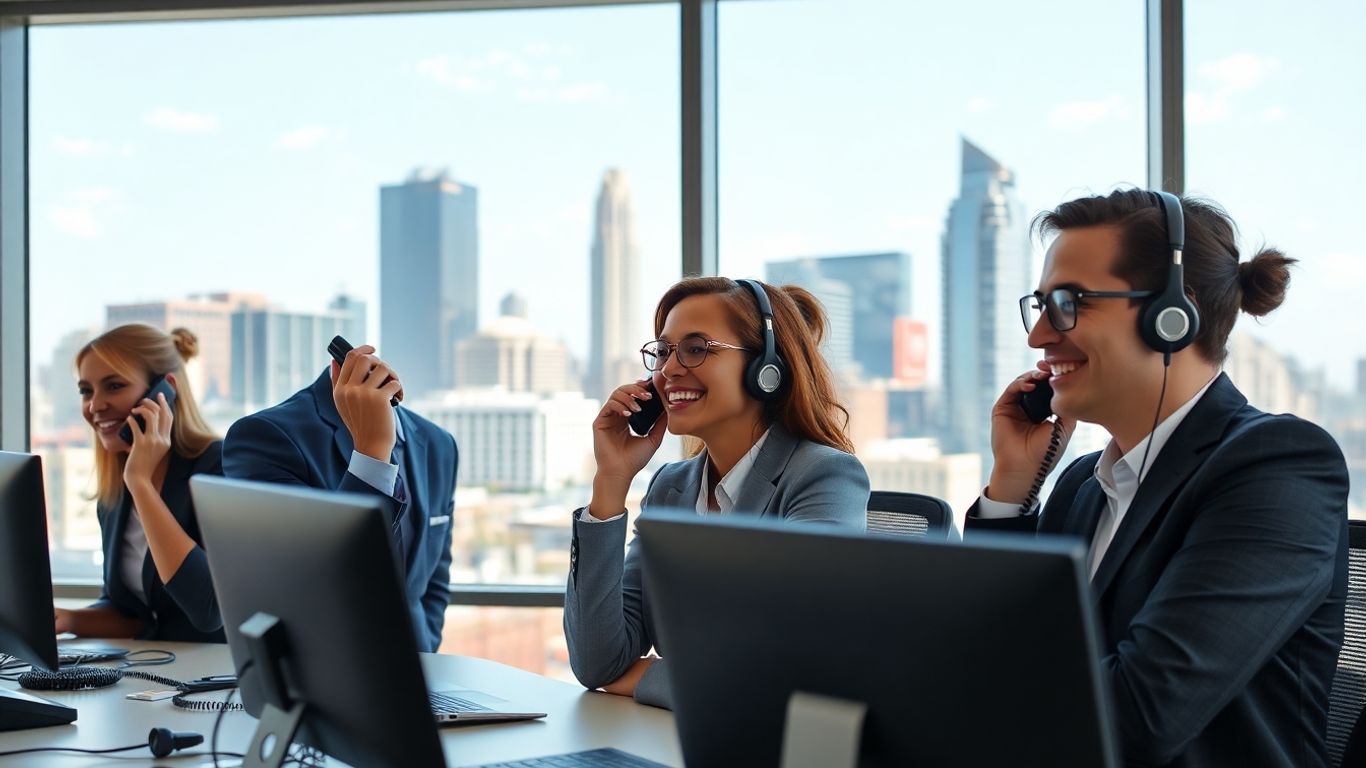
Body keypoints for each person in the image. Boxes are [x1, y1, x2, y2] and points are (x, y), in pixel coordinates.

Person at [972, 189, 1348, 767]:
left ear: (1172, 316)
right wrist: (1012, 489)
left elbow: (1140, 717)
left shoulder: (1277, 467)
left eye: (1068, 303)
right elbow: (985, 647)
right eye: (1040, 305)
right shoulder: (1079, 485)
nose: (1039, 336)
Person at [565, 277, 870, 710]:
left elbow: (792, 677)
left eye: (695, 349)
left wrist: (648, 676)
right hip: (679, 738)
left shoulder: (823, 477)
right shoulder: (671, 487)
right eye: (664, 351)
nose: (668, 370)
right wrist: (611, 481)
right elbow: (598, 662)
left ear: (767, 369)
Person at [222, 343, 456, 653]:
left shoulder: (438, 443)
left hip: (421, 671)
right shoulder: (264, 437)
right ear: (338, 370)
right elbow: (312, 582)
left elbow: (435, 578)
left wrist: (426, 649)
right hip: (323, 670)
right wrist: (372, 452)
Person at [56, 325, 225, 642]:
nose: (95, 406)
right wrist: (68, 619)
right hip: (154, 678)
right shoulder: (114, 493)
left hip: (217, 679)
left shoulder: (218, 466)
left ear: (165, 390)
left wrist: (141, 484)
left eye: (114, 386)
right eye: (86, 391)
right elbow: (134, 618)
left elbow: (209, 609)